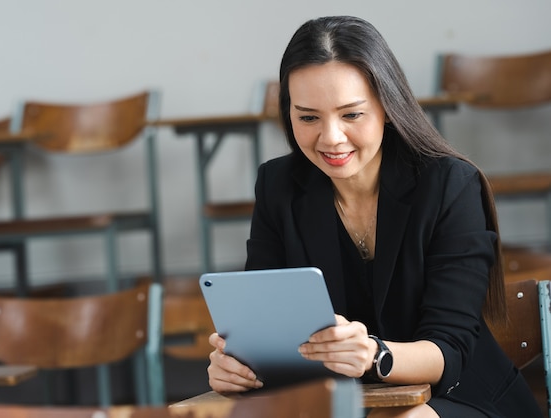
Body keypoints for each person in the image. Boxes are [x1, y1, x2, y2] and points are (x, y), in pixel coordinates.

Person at [206, 15, 543, 418]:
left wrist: (374, 354)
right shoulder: (277, 186)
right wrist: (237, 367)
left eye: (351, 114)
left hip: (459, 396)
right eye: (308, 117)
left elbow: (448, 351)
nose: (331, 137)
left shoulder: (451, 185)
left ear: (387, 106)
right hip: (346, 405)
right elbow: (265, 330)